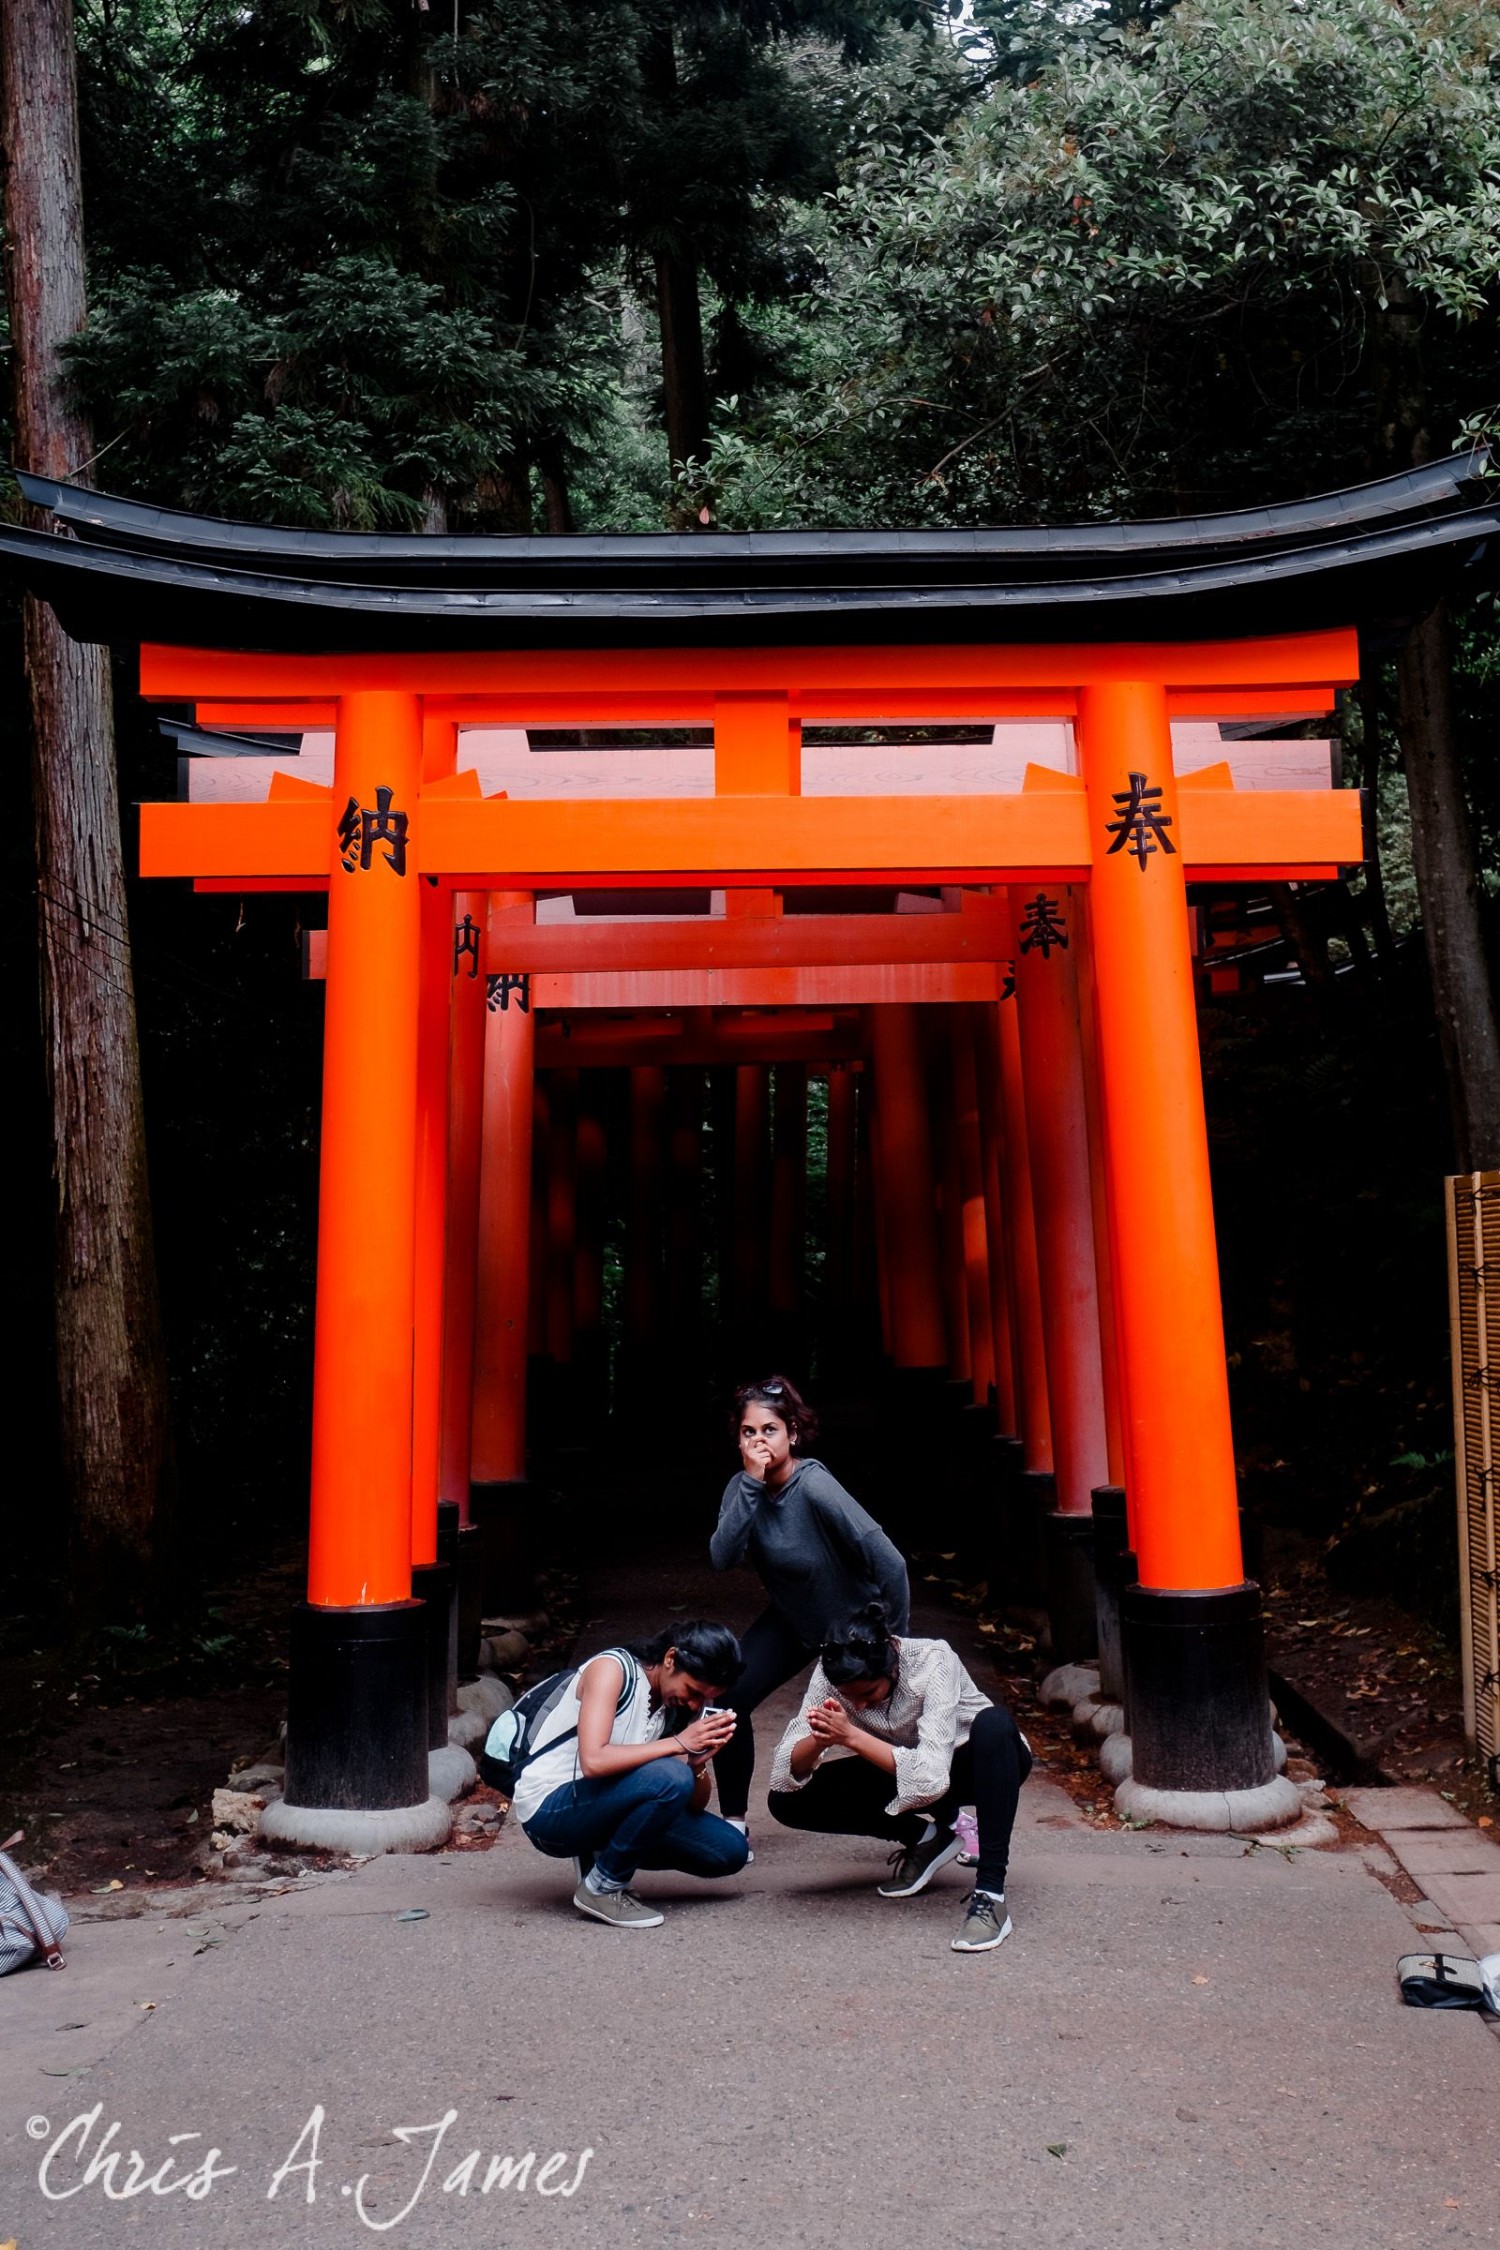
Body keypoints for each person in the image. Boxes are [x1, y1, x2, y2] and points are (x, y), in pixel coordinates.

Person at [709, 1376, 909, 1850]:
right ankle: (734, 1823)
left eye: (770, 1430)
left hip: (854, 1627)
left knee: (900, 1721)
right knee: (727, 1697)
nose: (759, 1441)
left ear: (793, 1434)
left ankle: (950, 1821)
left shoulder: (814, 1485)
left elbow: (891, 1563)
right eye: (749, 1432)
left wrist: (898, 1644)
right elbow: (722, 1557)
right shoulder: (742, 1489)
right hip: (795, 1622)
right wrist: (752, 1488)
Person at [766, 1602, 1031, 1952]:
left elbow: (933, 1778)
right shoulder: (831, 1673)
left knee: (994, 1723)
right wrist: (819, 1737)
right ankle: (927, 1839)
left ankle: (990, 1895)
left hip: (980, 1765)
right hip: (906, 1765)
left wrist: (850, 1736)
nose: (857, 1706)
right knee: (788, 1800)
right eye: (848, 1698)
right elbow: (784, 1772)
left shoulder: (935, 1659)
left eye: (868, 1694)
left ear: (892, 1660)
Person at [513, 1620, 749, 1929]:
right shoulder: (612, 1669)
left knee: (730, 1851)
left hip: (605, 1802)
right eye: (693, 1691)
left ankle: (601, 1857)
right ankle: (602, 1887)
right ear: (670, 1659)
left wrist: (694, 1764)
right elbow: (593, 1761)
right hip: (551, 1809)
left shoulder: (671, 1706)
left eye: (704, 1699)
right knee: (670, 1777)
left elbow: (691, 1804)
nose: (694, 1704)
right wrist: (677, 1744)